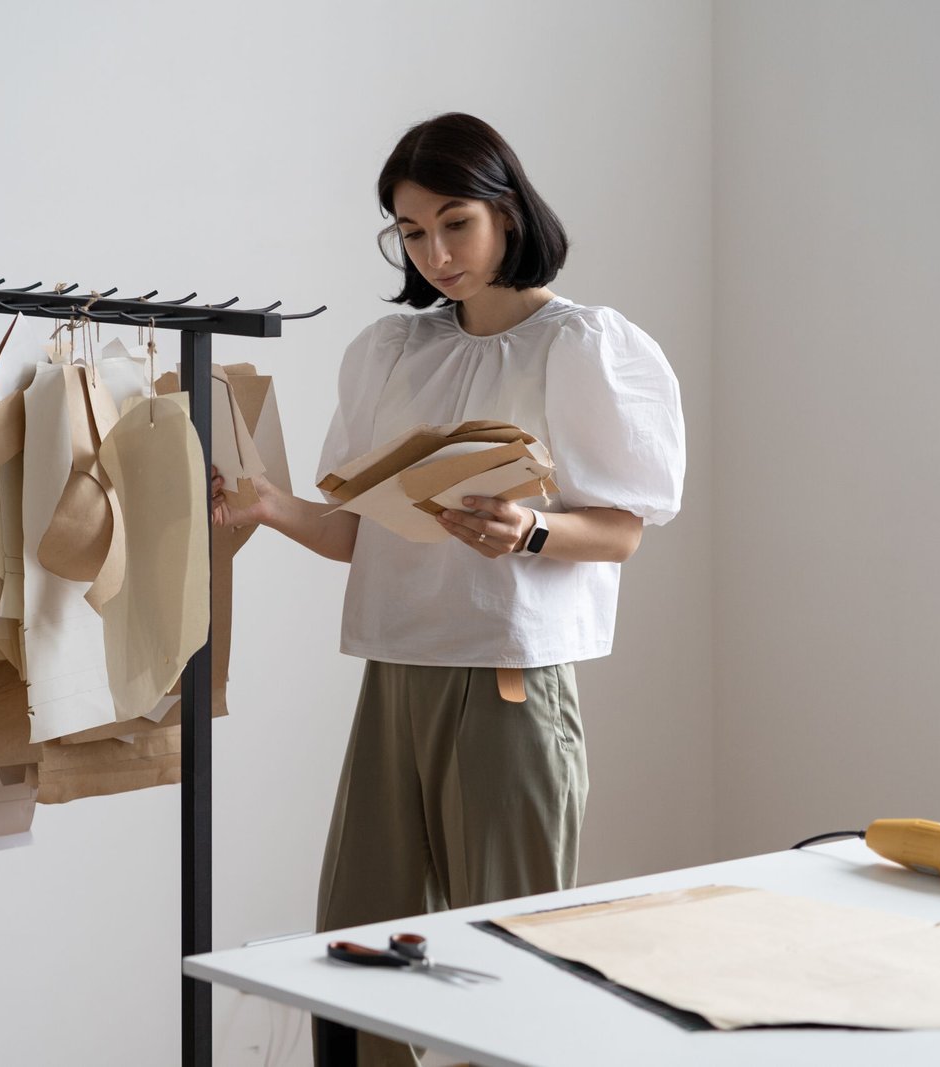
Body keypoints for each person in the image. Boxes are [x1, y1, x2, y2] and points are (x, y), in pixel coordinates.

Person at [211, 112, 685, 1066]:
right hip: (397, 672)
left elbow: (627, 528)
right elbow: (358, 533)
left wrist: (532, 528)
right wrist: (269, 505)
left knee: (508, 962)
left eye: (453, 223)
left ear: (507, 211)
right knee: (358, 954)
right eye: (411, 232)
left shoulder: (583, 345)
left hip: (509, 684)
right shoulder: (394, 350)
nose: (434, 252)